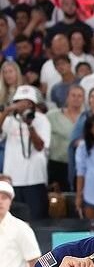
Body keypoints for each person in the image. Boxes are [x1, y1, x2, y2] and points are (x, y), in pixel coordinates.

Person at [0, 85, 50, 220]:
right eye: (20, 102)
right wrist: (7, 111)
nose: (23, 106)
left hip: (35, 179)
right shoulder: (9, 120)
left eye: (27, 103)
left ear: (34, 104)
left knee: (37, 219)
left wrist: (29, 124)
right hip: (12, 179)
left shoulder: (41, 119)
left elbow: (40, 146)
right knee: (11, 220)